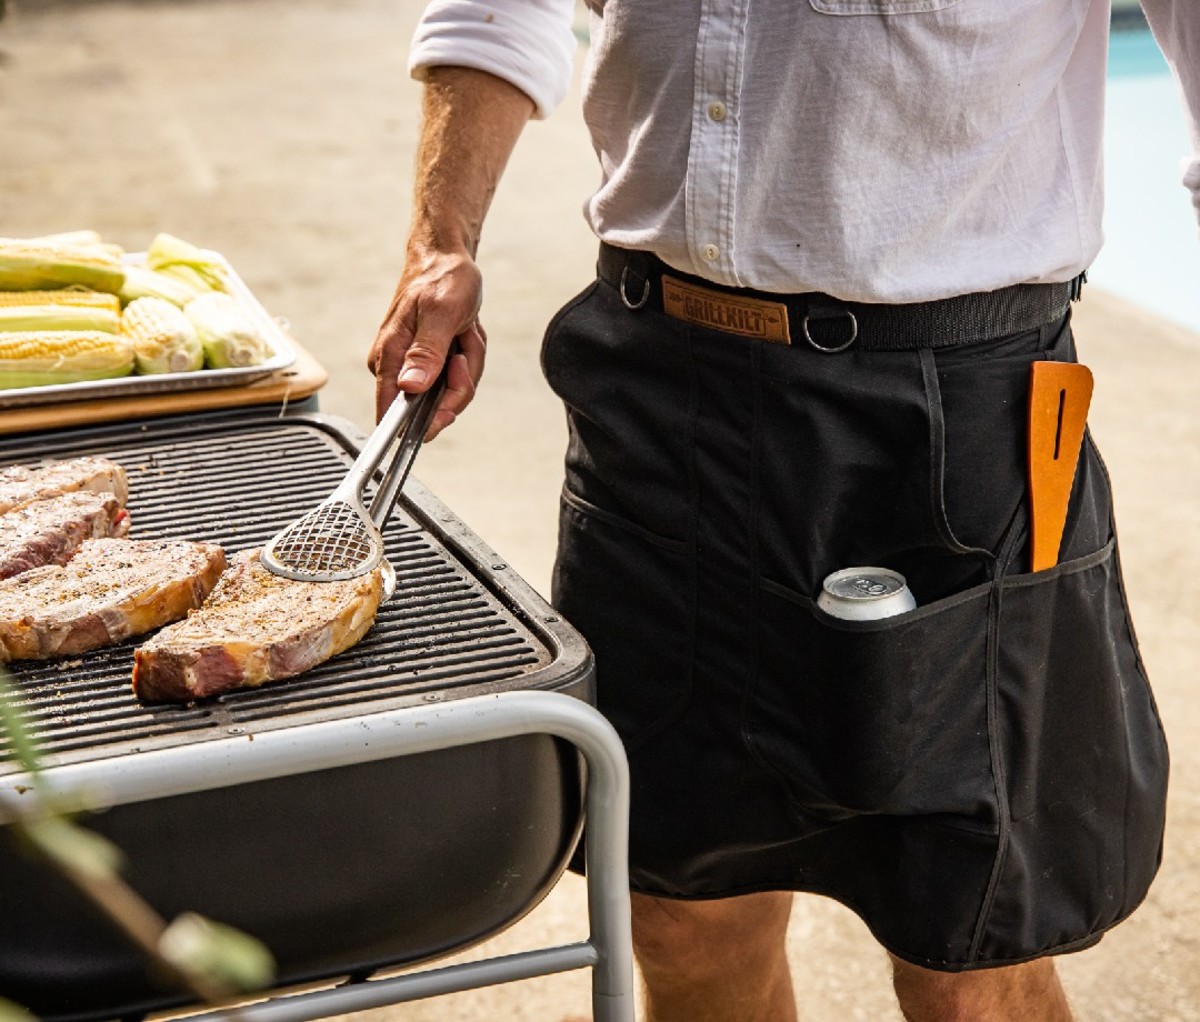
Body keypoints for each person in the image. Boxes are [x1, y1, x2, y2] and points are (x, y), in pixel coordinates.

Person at [368, 2, 1190, 1019]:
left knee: (968, 946)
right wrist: (438, 241)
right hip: (657, 387)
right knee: (676, 902)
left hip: (948, 411)